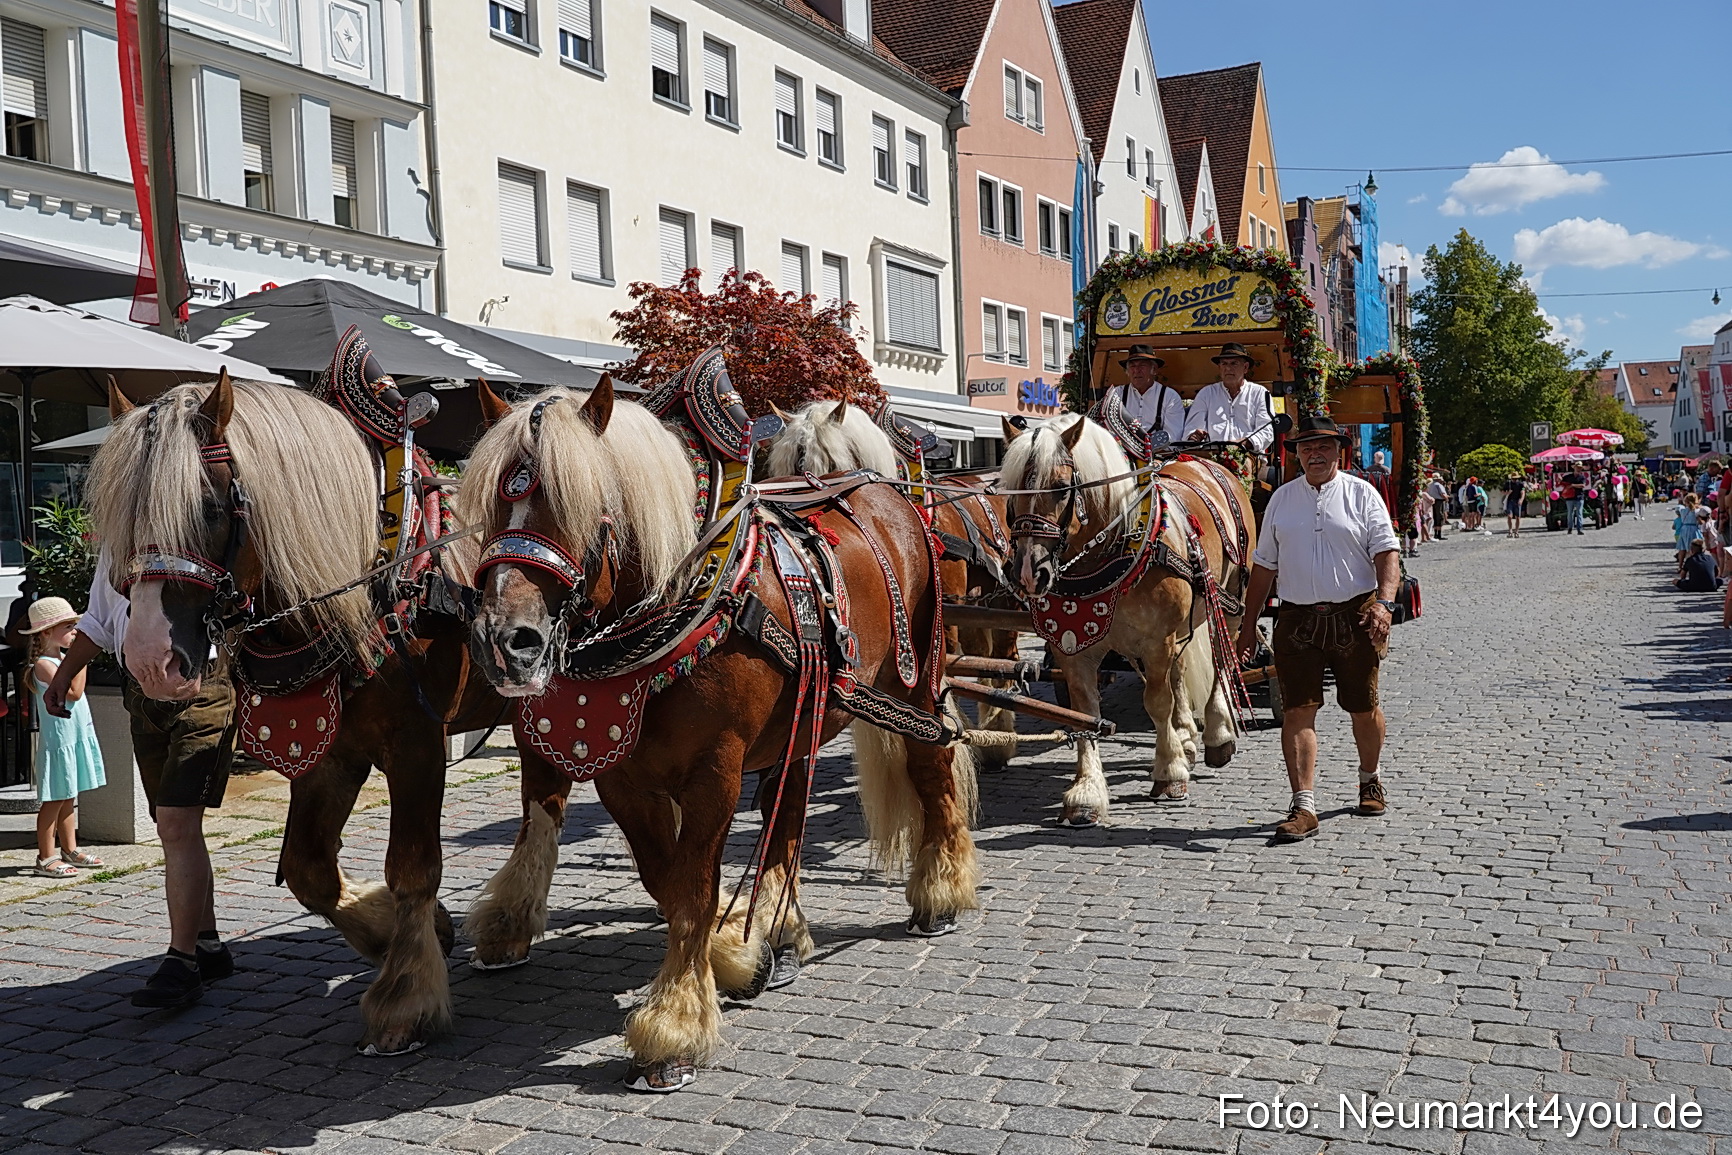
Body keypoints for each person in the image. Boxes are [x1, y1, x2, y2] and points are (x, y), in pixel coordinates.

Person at [45, 554, 238, 1009]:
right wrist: (65, 675)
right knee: (176, 829)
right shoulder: (116, 544)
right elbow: (98, 621)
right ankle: (208, 945)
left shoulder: (185, 526)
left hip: (200, 684)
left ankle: (182, 961)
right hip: (141, 694)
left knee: (175, 824)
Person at [1235, 415, 1402, 843]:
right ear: (1296, 455)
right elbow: (1264, 566)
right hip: (1297, 618)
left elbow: (1387, 553)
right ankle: (1303, 806)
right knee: (1297, 709)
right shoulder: (1281, 500)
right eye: (1306, 448)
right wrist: (1249, 623)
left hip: (1355, 614)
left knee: (1363, 706)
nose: (1315, 454)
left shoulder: (1362, 494)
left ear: (1339, 451)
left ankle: (1370, 779)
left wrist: (1384, 603)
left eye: (1323, 446)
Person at [22, 598, 106, 879]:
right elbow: (74, 692)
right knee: (54, 799)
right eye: (68, 627)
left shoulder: (60, 659)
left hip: (74, 736)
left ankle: (70, 848)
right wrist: (80, 658)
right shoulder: (44, 665)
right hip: (59, 742)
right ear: (46, 632)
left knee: (69, 795)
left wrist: (74, 657)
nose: (74, 632)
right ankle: (46, 856)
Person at [1183, 343, 1275, 451]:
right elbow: (1192, 428)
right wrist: (1194, 436)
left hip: (1248, 455)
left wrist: (1244, 443)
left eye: (1234, 363)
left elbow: (1267, 431)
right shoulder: (1206, 393)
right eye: (1224, 364)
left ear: (1245, 367)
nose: (1228, 368)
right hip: (1210, 457)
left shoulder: (1260, 393)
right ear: (1219, 368)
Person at [1108, 345, 1186, 442]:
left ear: (1154, 370)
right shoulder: (1116, 394)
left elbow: (1172, 436)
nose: (1136, 370)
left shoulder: (1170, 396)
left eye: (1142, 365)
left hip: (1158, 453)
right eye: (1132, 366)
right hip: (1122, 451)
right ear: (1127, 372)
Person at [1674, 493, 1704, 569]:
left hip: (1684, 529)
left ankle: (1680, 566)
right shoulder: (1697, 511)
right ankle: (1693, 565)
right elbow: (1700, 521)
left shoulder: (1682, 510)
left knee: (1682, 548)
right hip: (1694, 528)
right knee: (1693, 548)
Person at [1561, 468, 1588, 535]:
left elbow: (1583, 485)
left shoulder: (1582, 477)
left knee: (1579, 513)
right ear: (1574, 468)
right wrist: (1559, 479)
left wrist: (1572, 485)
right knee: (1570, 513)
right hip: (1569, 497)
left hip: (1579, 497)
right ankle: (1570, 528)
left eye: (1580, 468)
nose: (1579, 470)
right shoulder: (1568, 477)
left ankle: (1580, 529)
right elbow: (1561, 481)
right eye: (1577, 468)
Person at [1502, 473, 1526, 538]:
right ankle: (1510, 531)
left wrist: (1521, 499)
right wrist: (1507, 493)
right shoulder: (1508, 484)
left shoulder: (1520, 484)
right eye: (1513, 478)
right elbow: (1503, 491)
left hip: (1517, 501)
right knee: (1509, 516)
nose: (1515, 480)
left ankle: (1516, 531)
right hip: (1510, 501)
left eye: (1516, 478)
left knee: (1517, 517)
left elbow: (1523, 492)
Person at [1426, 474, 1449, 539]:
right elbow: (1443, 494)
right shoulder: (1439, 485)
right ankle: (1439, 534)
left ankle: (1435, 533)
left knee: (1435, 517)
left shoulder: (1430, 485)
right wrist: (1446, 498)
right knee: (1440, 517)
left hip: (1432, 502)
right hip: (1439, 501)